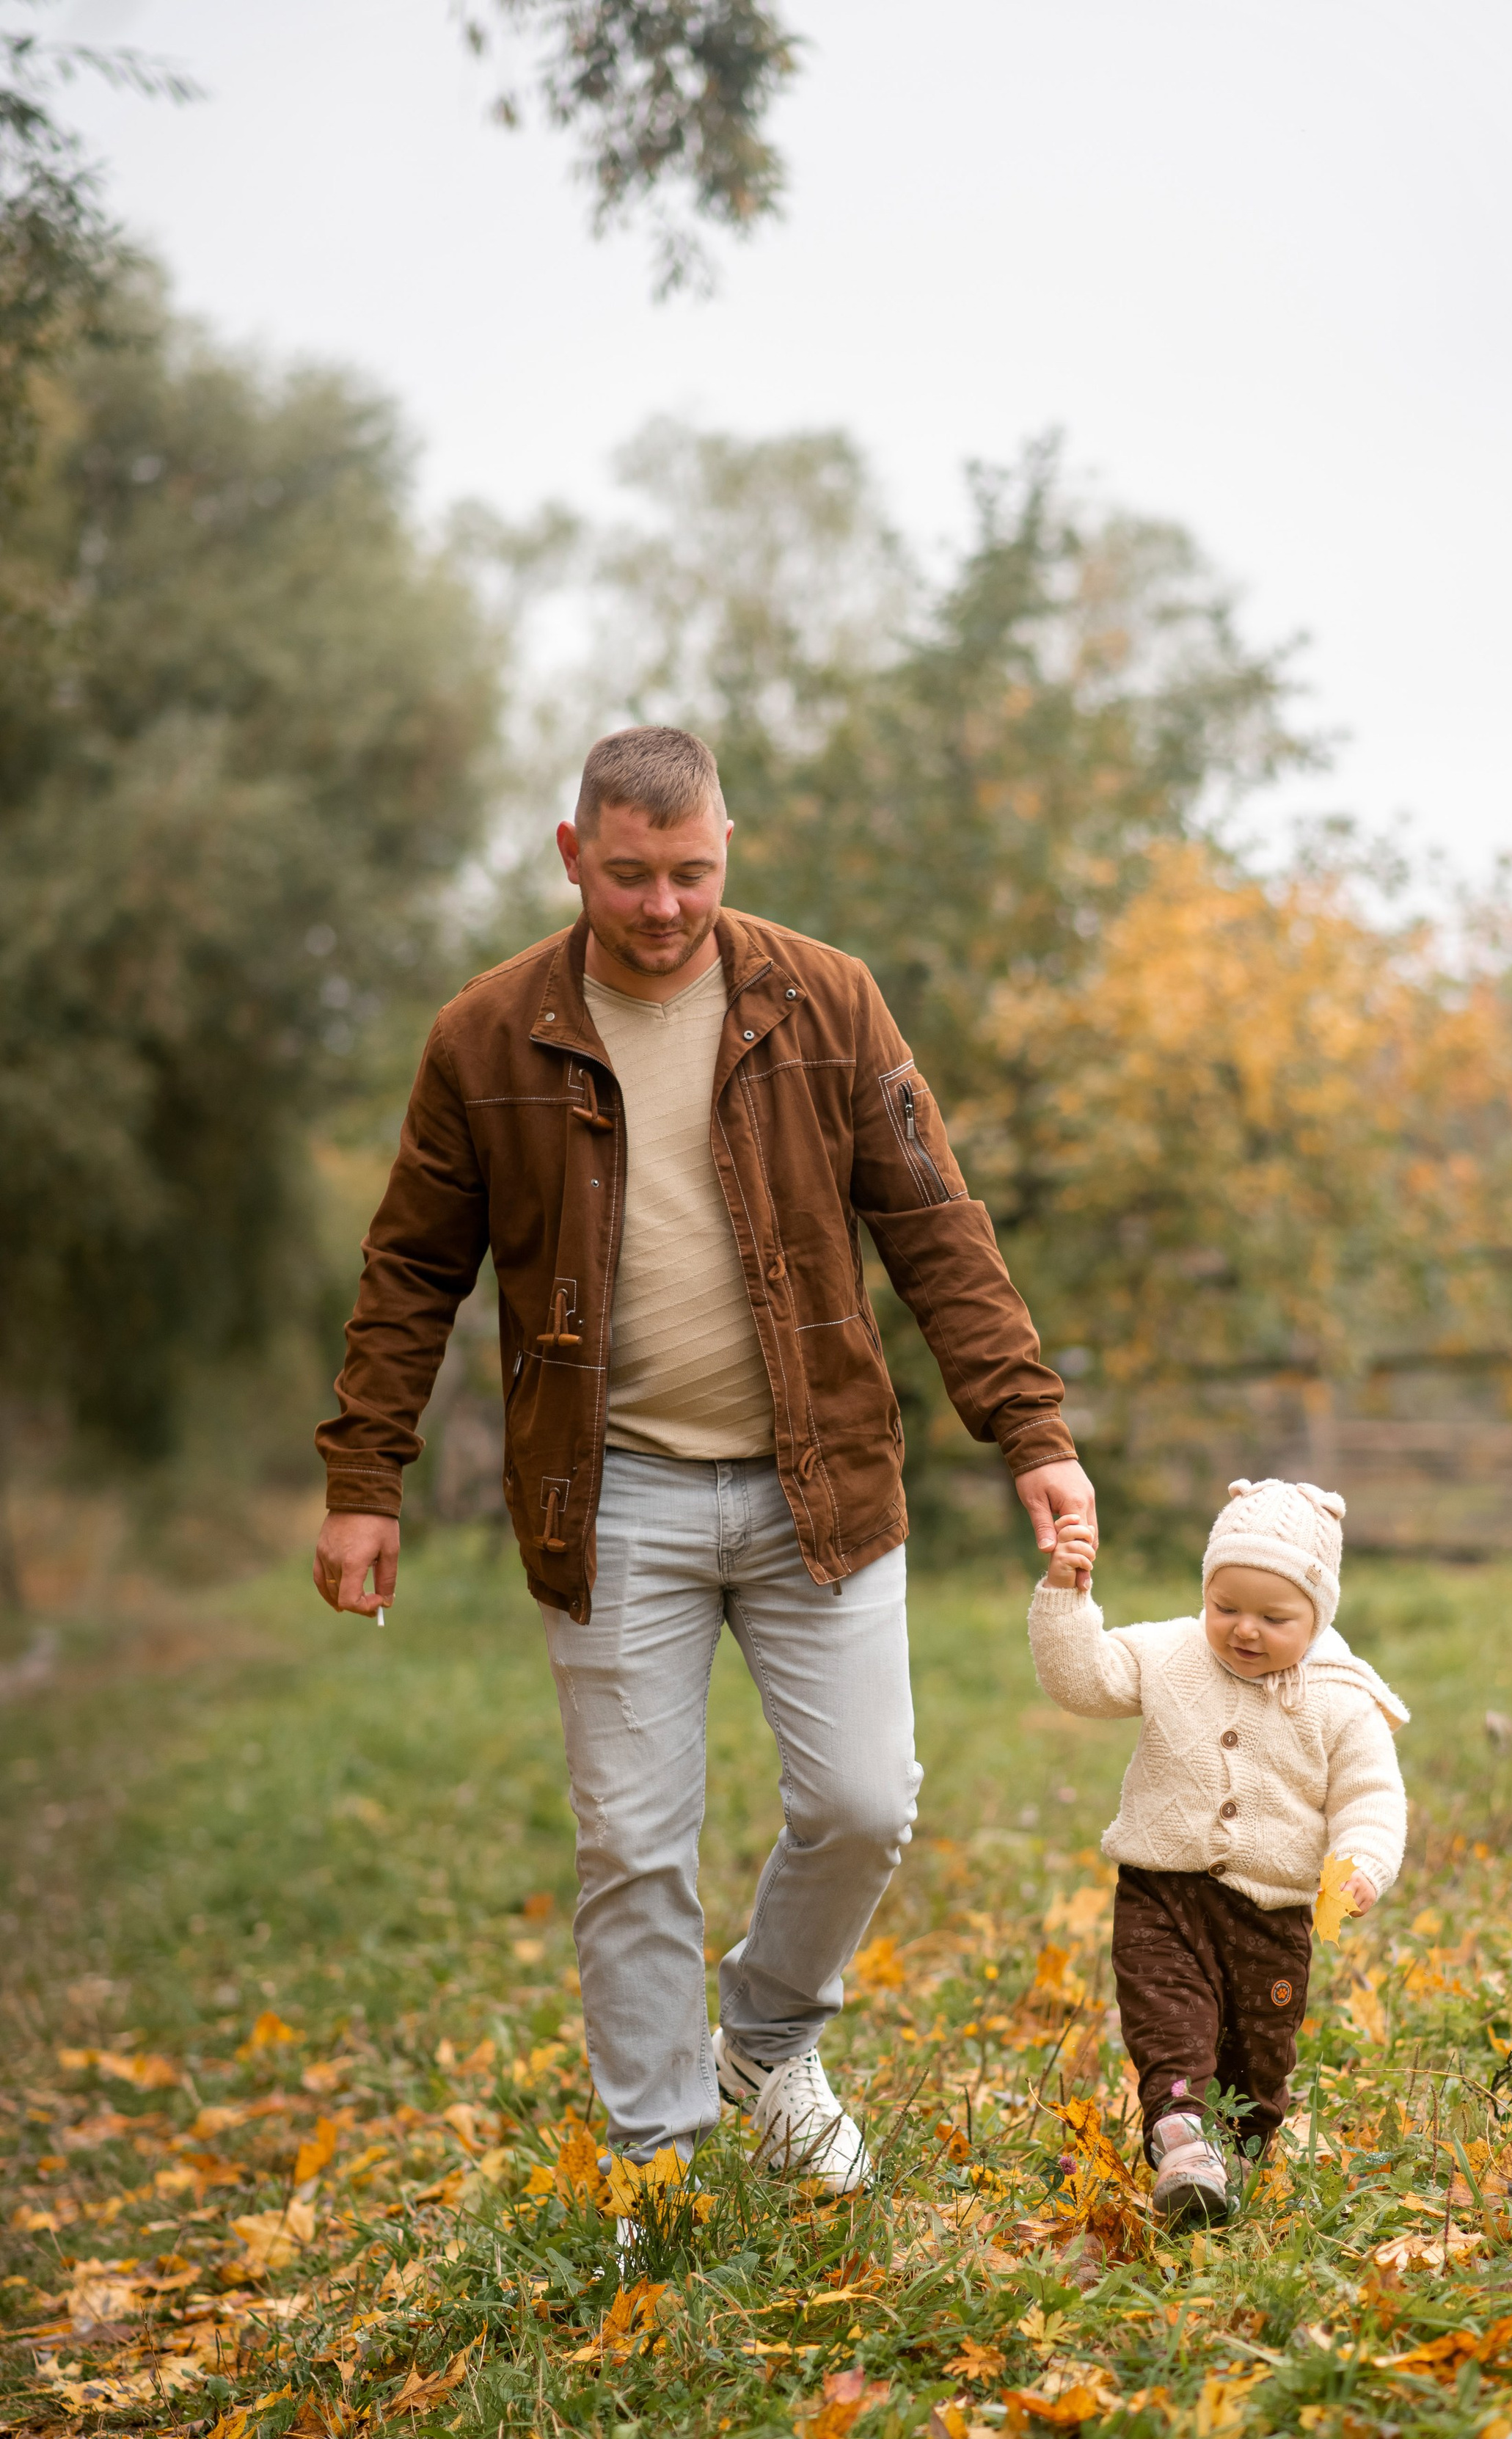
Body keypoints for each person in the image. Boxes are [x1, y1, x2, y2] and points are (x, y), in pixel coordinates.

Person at [313, 724, 1095, 2200]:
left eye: (689, 872)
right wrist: (366, 1481)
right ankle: (657, 2168)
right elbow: (409, 1272)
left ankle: (767, 2038)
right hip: (609, 1499)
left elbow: (936, 1226)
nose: (663, 906)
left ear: (727, 846)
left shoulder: (826, 1001)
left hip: (822, 1487)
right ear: (572, 856)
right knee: (630, 1844)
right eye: (629, 876)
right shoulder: (485, 1036)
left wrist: (1029, 1431)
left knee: (865, 1803)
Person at [1027, 1476, 1408, 2225]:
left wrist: (1364, 1861)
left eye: (1275, 1617)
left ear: (1320, 1613)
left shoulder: (1340, 1698)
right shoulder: (1168, 1651)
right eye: (1225, 1606)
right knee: (1169, 2023)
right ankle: (1177, 2137)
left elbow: (1370, 1795)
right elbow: (1082, 1680)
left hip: (1272, 1914)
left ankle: (1233, 2160)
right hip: (1161, 1894)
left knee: (1256, 2062)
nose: (1244, 1630)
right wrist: (1066, 1596)